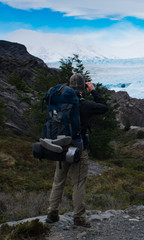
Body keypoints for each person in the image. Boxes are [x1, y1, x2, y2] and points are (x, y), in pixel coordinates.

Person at [46, 73, 108, 227]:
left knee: (58, 181)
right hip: (78, 148)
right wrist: (93, 91)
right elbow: (104, 107)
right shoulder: (85, 104)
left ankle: (52, 213)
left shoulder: (59, 102)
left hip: (60, 146)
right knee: (78, 183)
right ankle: (78, 217)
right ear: (83, 87)